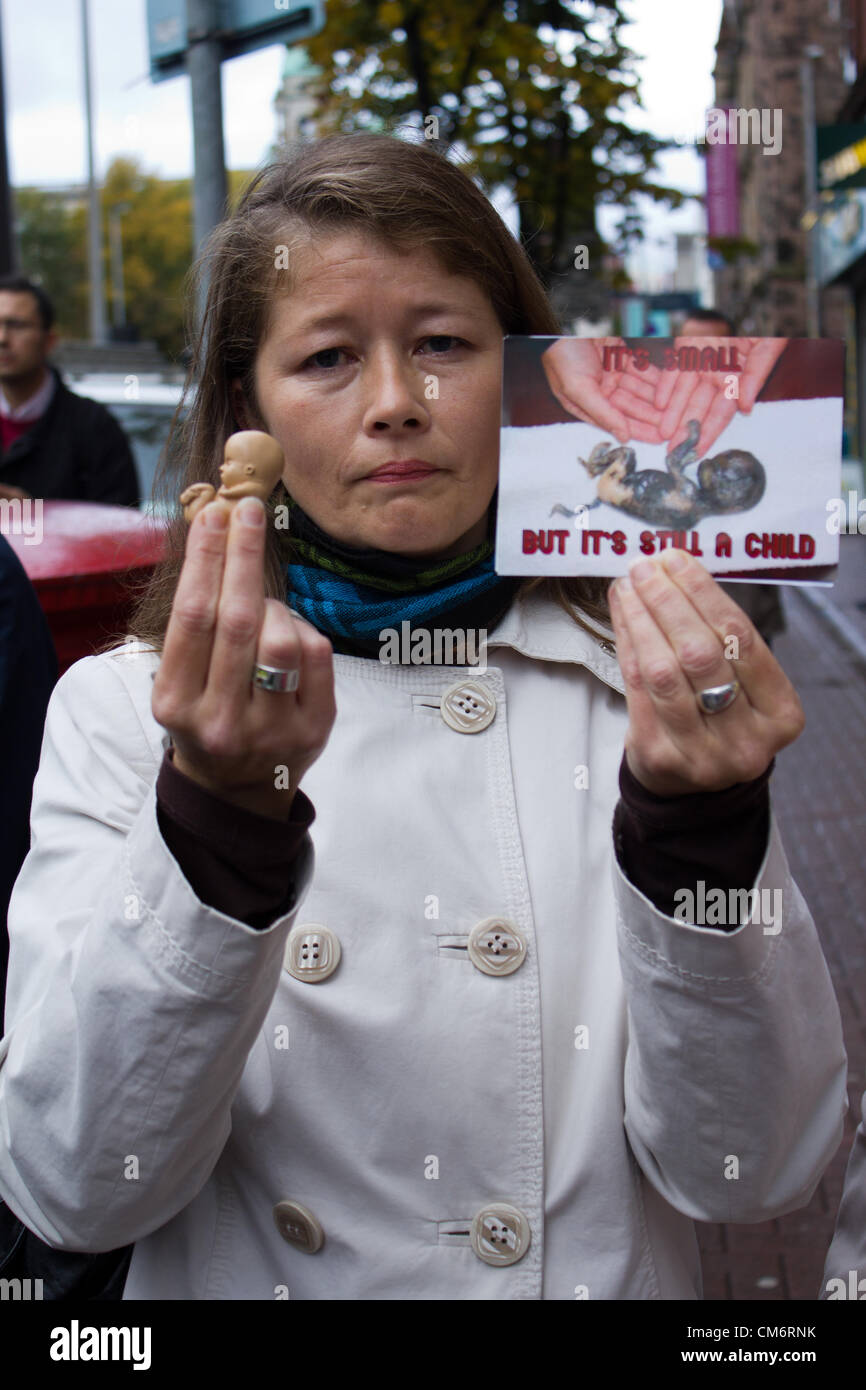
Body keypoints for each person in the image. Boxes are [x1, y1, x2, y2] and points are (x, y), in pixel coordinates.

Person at [0, 135, 847, 1301]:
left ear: (524, 378)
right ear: (249, 408)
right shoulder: (122, 716)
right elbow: (76, 1184)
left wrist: (698, 831)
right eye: (330, 357)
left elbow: (753, 1170)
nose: (396, 404)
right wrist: (213, 821)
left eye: (443, 344)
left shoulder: (649, 695)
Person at [0, 274, 139, 508]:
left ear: (49, 340)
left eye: (17, 325)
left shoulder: (95, 428)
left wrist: (34, 518)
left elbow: (119, 530)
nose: (2, 338)